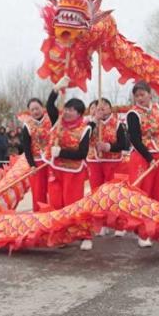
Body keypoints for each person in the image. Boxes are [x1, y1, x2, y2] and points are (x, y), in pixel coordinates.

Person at [43, 76, 93, 250]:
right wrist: (56, 89)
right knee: (57, 204)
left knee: (74, 205)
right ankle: (62, 235)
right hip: (56, 170)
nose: (68, 112)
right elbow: (50, 105)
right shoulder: (57, 122)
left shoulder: (85, 129)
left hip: (74, 172)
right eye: (67, 109)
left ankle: (85, 235)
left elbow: (82, 153)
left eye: (72, 110)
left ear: (79, 113)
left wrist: (62, 152)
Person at [126, 81, 159, 248]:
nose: (140, 98)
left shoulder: (158, 109)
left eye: (142, 95)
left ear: (149, 94)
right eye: (137, 96)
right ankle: (142, 232)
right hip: (142, 157)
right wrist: (149, 157)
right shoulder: (133, 114)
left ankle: (158, 228)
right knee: (142, 194)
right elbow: (135, 139)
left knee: (158, 193)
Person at [86, 97, 129, 241]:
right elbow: (82, 139)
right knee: (97, 193)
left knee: (114, 193)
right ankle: (101, 224)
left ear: (110, 108)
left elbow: (124, 144)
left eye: (105, 106)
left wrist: (108, 147)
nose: (101, 108)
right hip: (94, 161)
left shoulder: (117, 124)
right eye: (97, 106)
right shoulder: (89, 124)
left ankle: (119, 224)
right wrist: (94, 121)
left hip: (113, 161)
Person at [20, 98, 53, 212]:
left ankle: (54, 216)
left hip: (52, 162)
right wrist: (32, 165)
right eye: (32, 109)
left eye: (37, 108)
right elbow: (26, 148)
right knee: (38, 192)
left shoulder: (51, 120)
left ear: (42, 108)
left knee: (53, 190)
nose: (35, 111)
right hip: (37, 164)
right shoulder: (27, 126)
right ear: (29, 111)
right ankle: (39, 217)